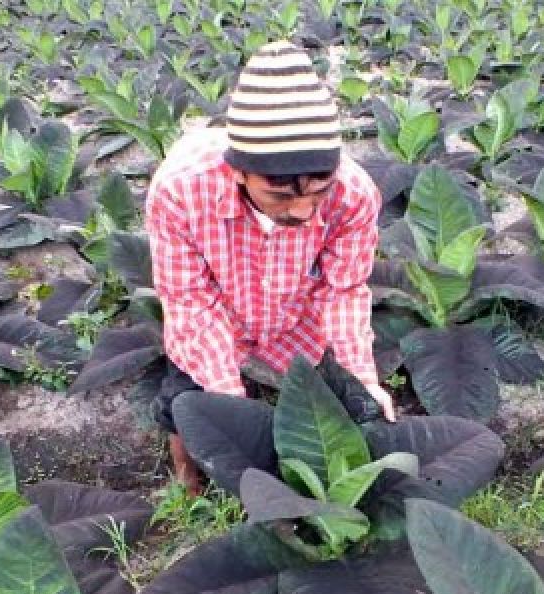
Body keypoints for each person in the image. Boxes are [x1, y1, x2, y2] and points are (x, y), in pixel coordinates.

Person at [145, 40, 394, 495]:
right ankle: (186, 478)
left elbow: (343, 291)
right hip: (216, 302)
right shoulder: (180, 191)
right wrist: (228, 403)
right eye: (281, 195)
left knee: (345, 398)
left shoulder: (354, 194)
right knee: (183, 400)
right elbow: (189, 299)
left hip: (293, 306)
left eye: (318, 191)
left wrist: (363, 379)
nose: (303, 211)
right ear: (238, 172)